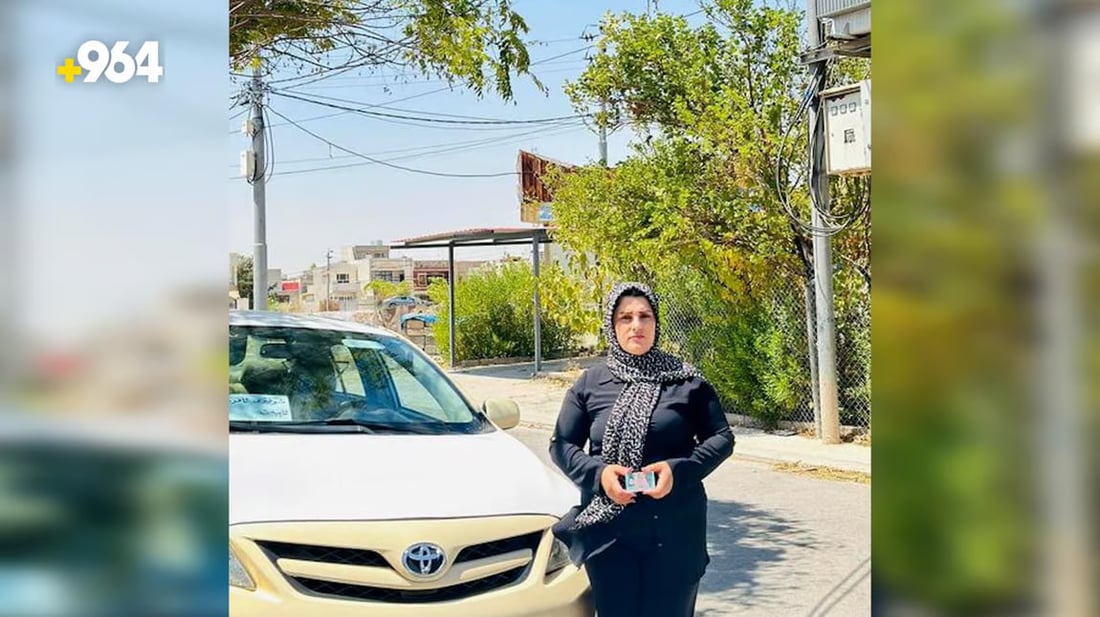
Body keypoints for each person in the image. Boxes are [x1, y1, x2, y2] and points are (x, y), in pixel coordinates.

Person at [550, 282, 735, 617]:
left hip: (675, 531)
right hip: (610, 534)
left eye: (644, 316)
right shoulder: (590, 383)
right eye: (626, 317)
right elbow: (562, 444)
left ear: (656, 322)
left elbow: (721, 438)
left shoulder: (686, 381)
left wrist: (678, 471)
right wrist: (599, 475)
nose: (636, 325)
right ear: (612, 325)